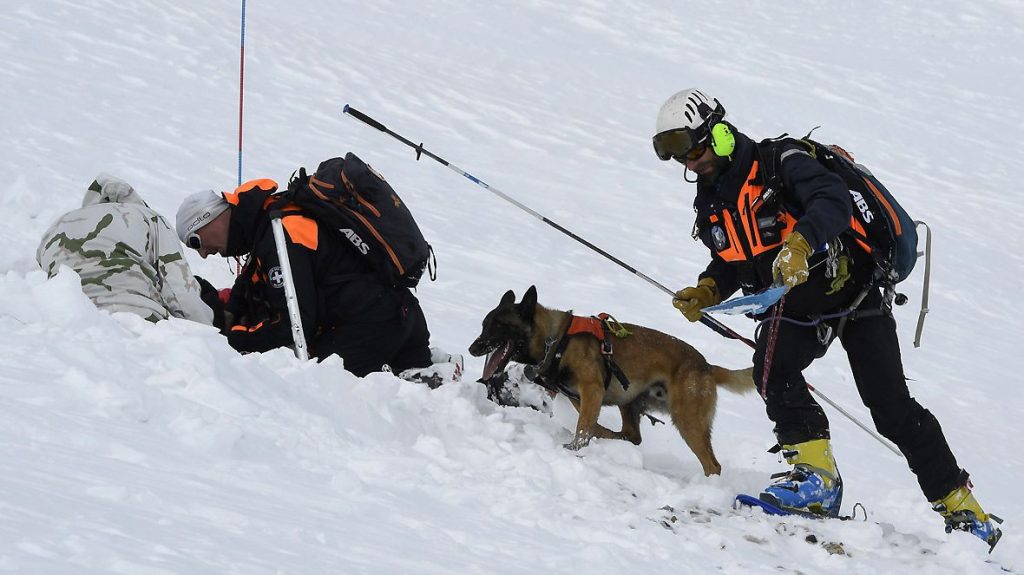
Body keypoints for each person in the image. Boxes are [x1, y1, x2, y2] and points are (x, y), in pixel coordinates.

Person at [654, 88, 1000, 547]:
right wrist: (710, 288)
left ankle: (965, 512)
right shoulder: (711, 197)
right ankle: (816, 477)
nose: (690, 165)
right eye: (681, 158)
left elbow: (831, 200)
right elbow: (735, 259)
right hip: (799, 300)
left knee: (892, 410)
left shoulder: (781, 161)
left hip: (855, 287)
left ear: (718, 134)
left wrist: (801, 242)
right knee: (773, 370)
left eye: (694, 150)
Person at [174, 178, 444, 379]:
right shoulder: (271, 222)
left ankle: (417, 378)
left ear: (209, 219)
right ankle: (433, 374)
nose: (204, 254)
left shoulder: (281, 233)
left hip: (374, 327)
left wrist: (230, 341)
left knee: (320, 379)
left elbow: (294, 325)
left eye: (196, 241)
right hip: (398, 316)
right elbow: (246, 290)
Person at [36, 173, 214, 325]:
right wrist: (211, 338)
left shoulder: (55, 228)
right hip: (137, 317)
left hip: (69, 320)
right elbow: (180, 292)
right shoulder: (149, 218)